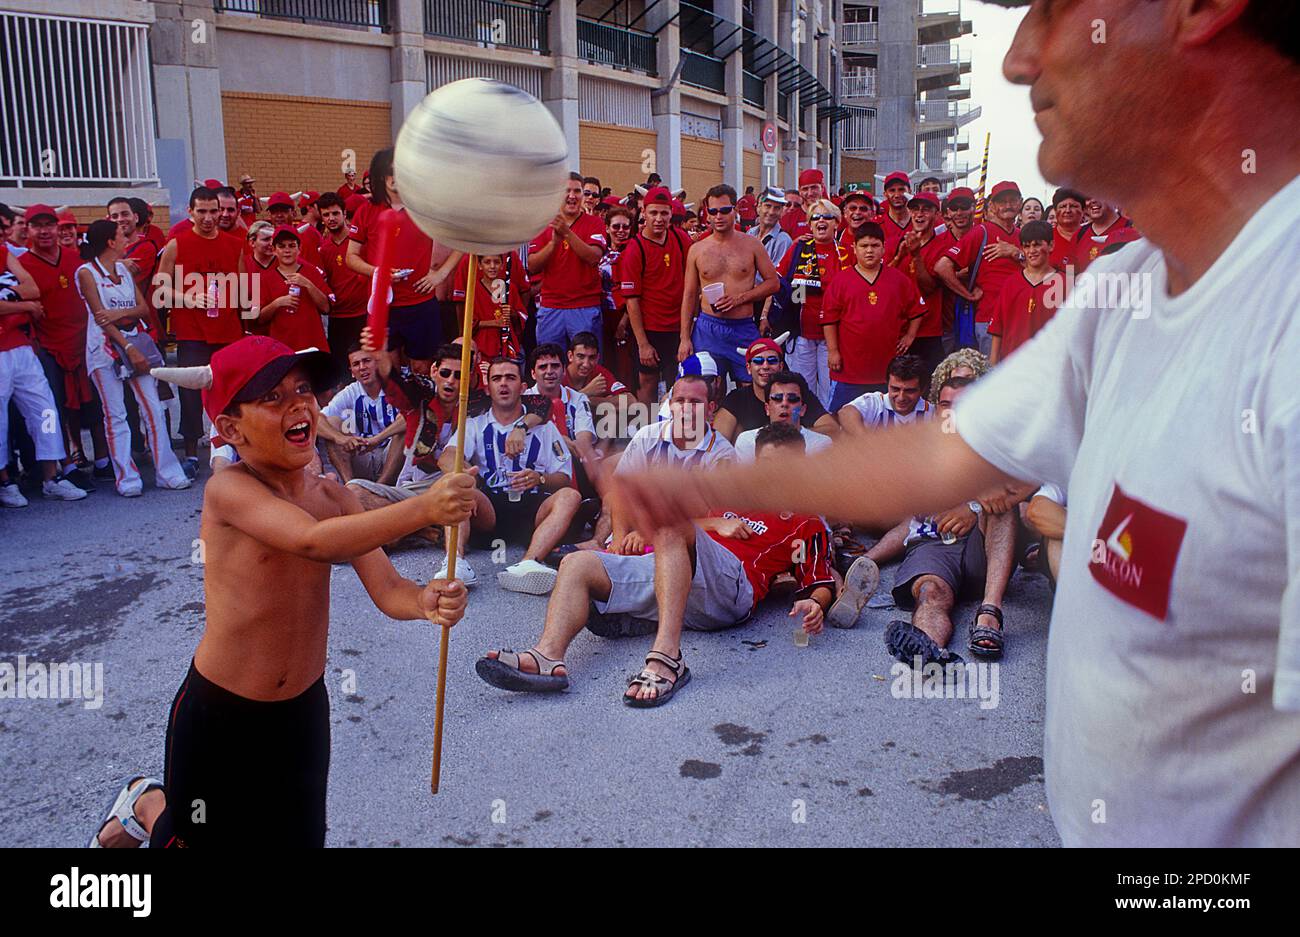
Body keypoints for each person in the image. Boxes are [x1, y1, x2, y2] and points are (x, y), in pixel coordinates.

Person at [615, 0, 1300, 848]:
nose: (1019, 59)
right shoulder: (1129, 286)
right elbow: (934, 460)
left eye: (1054, 9)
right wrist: (695, 483)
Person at [88, 335, 471, 848]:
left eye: (303, 389)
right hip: (220, 716)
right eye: (271, 397)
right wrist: (423, 508)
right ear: (229, 428)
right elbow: (310, 541)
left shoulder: (335, 495)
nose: (297, 405)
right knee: (199, 839)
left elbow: (388, 588)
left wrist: (424, 602)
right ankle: (147, 802)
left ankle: (150, 808)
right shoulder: (229, 489)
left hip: (302, 712)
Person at [476, 422, 876, 706]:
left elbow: (816, 578)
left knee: (670, 525)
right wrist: (710, 522)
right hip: (680, 576)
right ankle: (548, 656)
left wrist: (816, 603)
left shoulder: (804, 520)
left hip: (731, 590)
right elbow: (692, 531)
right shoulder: (734, 497)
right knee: (578, 565)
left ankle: (667, 657)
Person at [74, 220, 190, 496]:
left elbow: (143, 309)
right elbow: (100, 319)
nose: (130, 239)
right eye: (123, 236)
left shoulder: (124, 270)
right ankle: (127, 478)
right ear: (110, 242)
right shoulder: (86, 273)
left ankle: (167, 471)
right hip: (105, 351)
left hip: (136, 343)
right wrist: (127, 346)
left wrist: (116, 315)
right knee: (116, 414)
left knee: (153, 408)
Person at [451, 356, 581, 595]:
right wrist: (466, 475)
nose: (503, 384)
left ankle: (528, 563)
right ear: (488, 387)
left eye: (510, 378)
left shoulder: (545, 427)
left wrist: (539, 478)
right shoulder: (474, 425)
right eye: (496, 379)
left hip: (532, 509)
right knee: (454, 485)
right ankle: (454, 564)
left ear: (523, 387)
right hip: (490, 509)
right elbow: (448, 456)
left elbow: (563, 477)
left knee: (570, 496)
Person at [154, 185, 248, 479]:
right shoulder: (177, 243)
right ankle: (193, 453)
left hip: (228, 330)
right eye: (202, 212)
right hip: (192, 330)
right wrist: (189, 298)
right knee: (190, 393)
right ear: (190, 212)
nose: (208, 218)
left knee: (232, 392)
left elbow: (245, 287)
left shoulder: (235, 244)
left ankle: (236, 449)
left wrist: (244, 314)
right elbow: (160, 288)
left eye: (213, 211)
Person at [347, 148, 461, 371]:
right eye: (390, 172)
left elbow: (461, 240)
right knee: (388, 371)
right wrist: (377, 272)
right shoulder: (367, 210)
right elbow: (351, 256)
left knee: (422, 369)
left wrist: (440, 274)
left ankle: (419, 407)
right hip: (384, 304)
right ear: (381, 176)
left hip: (420, 303)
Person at [20, 204, 111, 479]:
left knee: (96, 404)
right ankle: (65, 465)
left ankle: (104, 460)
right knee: (53, 410)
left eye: (50, 225)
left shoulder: (76, 260)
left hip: (84, 343)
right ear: (29, 230)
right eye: (38, 226)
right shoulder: (23, 265)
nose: (45, 231)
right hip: (49, 348)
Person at [0, 240, 88, 505]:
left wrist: (10, 294)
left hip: (21, 347)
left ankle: (52, 477)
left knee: (45, 410)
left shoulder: (3, 253)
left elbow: (32, 289)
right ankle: (4, 482)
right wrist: (23, 305)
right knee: (0, 419)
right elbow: (29, 300)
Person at [679, 184, 780, 384]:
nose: (719, 216)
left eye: (725, 210)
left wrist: (740, 298)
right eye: (713, 211)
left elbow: (773, 283)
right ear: (707, 214)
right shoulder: (697, 249)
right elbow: (689, 295)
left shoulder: (752, 245)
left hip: (742, 327)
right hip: (708, 328)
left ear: (735, 210)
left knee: (752, 388)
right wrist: (684, 338)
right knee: (707, 388)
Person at [821, 221, 926, 412]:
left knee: (883, 420)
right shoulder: (841, 281)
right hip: (849, 371)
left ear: (884, 248)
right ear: (854, 248)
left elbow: (917, 311)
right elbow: (829, 320)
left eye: (875, 245)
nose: (869, 251)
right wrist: (833, 350)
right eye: (864, 246)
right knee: (840, 417)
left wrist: (910, 336)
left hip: (886, 370)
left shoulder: (898, 280)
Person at [617, 187, 692, 404]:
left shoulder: (680, 239)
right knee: (647, 381)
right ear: (644, 212)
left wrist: (687, 332)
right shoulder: (635, 249)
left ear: (671, 214)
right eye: (653, 213)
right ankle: (646, 431)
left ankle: (673, 428)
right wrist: (643, 344)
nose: (659, 219)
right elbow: (632, 301)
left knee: (678, 381)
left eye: (664, 213)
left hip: (679, 328)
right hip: (650, 329)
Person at [933, 180, 1024, 357]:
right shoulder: (981, 231)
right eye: (1002, 201)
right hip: (989, 319)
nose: (1008, 205)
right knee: (991, 378)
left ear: (1020, 203)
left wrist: (1016, 253)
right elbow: (942, 267)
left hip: (1019, 318)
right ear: (992, 205)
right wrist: (967, 294)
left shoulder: (1021, 235)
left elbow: (1042, 269)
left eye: (1012, 200)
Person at [778, 199, 852, 407]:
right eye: (815, 217)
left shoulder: (847, 252)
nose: (821, 221)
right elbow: (781, 283)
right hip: (802, 333)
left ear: (837, 223)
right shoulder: (799, 249)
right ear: (809, 224)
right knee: (802, 390)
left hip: (835, 338)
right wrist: (766, 315)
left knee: (831, 391)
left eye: (827, 217)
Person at [527, 172, 607, 351]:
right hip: (551, 307)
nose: (572, 196)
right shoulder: (543, 224)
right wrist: (553, 243)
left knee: (586, 364)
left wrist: (566, 233)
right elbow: (532, 265)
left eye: (577, 191)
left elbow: (593, 257)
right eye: (567, 191)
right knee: (550, 365)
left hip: (584, 307)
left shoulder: (595, 223)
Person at [714, 337, 837, 442]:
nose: (766, 366)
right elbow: (718, 440)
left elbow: (833, 430)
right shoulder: (737, 399)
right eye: (758, 361)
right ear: (748, 368)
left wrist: (790, 436)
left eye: (772, 361)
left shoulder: (798, 395)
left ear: (781, 366)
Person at [317, 343, 403, 485]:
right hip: (363, 454)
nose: (362, 367)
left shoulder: (396, 386)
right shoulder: (350, 392)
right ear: (352, 372)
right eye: (356, 364)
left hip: (392, 455)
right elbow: (319, 419)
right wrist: (340, 438)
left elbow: (412, 417)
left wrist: (377, 439)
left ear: (377, 363)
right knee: (332, 422)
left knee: (404, 427)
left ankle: (382, 485)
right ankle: (350, 486)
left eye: (366, 361)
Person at [889, 191, 948, 375]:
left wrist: (916, 256)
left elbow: (929, 287)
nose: (919, 214)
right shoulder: (895, 242)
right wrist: (899, 257)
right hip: (897, 331)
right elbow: (882, 280)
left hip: (929, 332)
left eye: (926, 210)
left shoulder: (942, 245)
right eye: (914, 209)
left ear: (936, 214)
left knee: (928, 391)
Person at [988, 220, 1064, 364]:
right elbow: (998, 328)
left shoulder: (1064, 283)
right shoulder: (1011, 283)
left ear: (1051, 245)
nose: (1031, 251)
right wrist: (992, 363)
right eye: (1026, 246)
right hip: (1012, 365)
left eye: (1037, 244)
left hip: (1049, 365)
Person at [253, 226, 332, 353]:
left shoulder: (311, 271)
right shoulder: (265, 278)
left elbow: (326, 308)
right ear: (274, 250)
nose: (287, 250)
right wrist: (277, 303)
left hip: (312, 343)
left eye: (292, 245)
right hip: (282, 346)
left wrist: (307, 284)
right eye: (282, 246)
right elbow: (259, 319)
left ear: (299, 249)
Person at [315, 192, 369, 376]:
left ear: (344, 214)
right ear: (321, 218)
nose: (331, 218)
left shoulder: (360, 241)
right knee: (344, 371)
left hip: (363, 314)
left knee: (368, 367)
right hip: (338, 318)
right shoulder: (323, 249)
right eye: (326, 215)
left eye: (335, 213)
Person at [732, 371, 832, 461]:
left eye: (792, 399)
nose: (784, 403)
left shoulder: (821, 444)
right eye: (777, 398)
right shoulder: (747, 442)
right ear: (767, 408)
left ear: (803, 409)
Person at [452, 250, 526, 363]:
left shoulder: (510, 288)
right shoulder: (472, 289)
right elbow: (467, 323)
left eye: (496, 262)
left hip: (506, 347)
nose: (492, 266)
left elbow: (523, 317)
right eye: (487, 262)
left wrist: (513, 313)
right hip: (482, 347)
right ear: (480, 266)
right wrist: (494, 323)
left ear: (502, 266)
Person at [838, 354, 932, 435]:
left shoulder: (933, 413)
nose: (901, 397)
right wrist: (866, 443)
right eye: (895, 389)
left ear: (922, 390)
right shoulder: (875, 403)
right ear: (887, 385)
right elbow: (845, 413)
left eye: (909, 391)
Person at [1076, 196, 1141, 273]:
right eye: (1088, 197)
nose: (1093, 200)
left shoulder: (1135, 231)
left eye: (1098, 194)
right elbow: (1069, 270)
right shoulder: (1078, 233)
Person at [876, 171, 914, 262]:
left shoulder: (920, 223)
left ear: (910, 191)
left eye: (901, 190)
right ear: (885, 194)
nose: (897, 195)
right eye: (892, 190)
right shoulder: (876, 225)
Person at [1048, 187, 1087, 271]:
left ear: (1083, 210)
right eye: (1062, 206)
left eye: (1073, 206)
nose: (1067, 210)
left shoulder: (1092, 237)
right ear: (1055, 210)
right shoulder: (1045, 238)